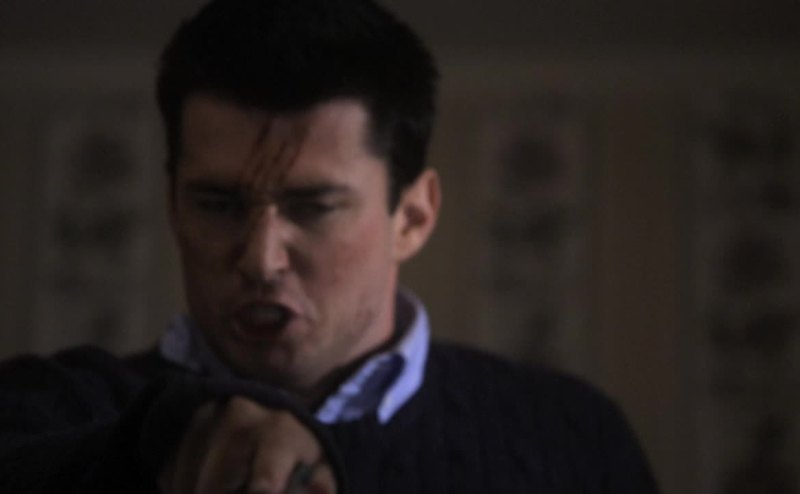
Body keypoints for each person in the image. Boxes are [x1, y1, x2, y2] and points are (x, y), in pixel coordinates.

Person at [0, 0, 659, 493]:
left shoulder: (573, 437)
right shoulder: (54, 411)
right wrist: (162, 441)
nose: (261, 260)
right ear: (173, 207)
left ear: (413, 217)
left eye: (314, 207)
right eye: (218, 204)